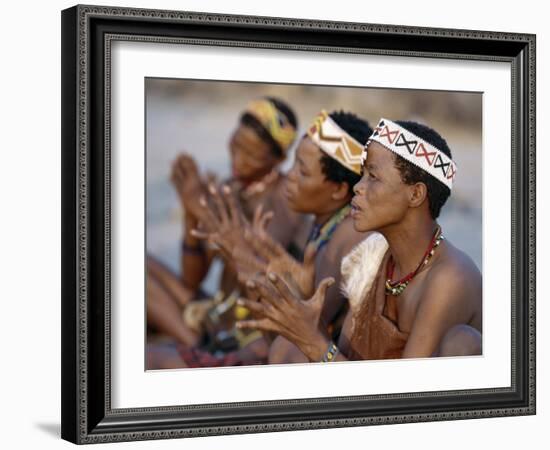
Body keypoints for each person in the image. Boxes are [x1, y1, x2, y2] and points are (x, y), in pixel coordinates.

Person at [236, 118, 482, 362]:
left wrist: (314, 342)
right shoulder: (370, 258)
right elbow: (347, 361)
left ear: (416, 194)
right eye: (362, 175)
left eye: (372, 177)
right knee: (288, 349)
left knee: (463, 341)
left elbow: (407, 395)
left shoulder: (450, 278)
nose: (358, 187)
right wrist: (297, 309)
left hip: (415, 401)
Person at [146, 97, 306, 360]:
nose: (239, 159)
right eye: (236, 144)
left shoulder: (286, 198)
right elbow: (192, 279)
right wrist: (190, 214)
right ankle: (198, 337)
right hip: (220, 308)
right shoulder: (231, 187)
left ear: (278, 159)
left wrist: (204, 212)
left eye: (251, 154)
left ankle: (199, 345)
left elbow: (256, 268)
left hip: (247, 324)